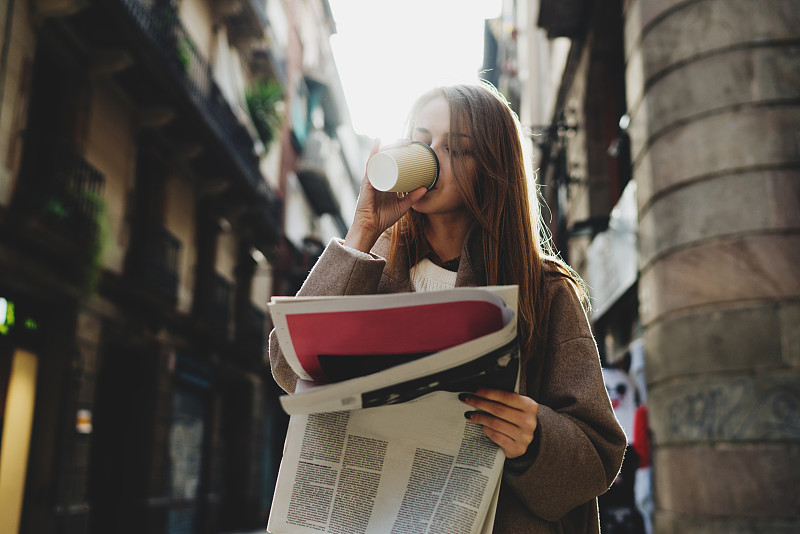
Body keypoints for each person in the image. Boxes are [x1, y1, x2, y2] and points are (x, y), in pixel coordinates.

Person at [269, 82, 626, 533]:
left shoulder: (546, 289)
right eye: (422, 140)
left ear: (493, 168)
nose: (433, 156)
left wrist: (535, 438)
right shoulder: (370, 268)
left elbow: (599, 455)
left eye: (456, 148)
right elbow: (288, 366)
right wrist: (361, 231)